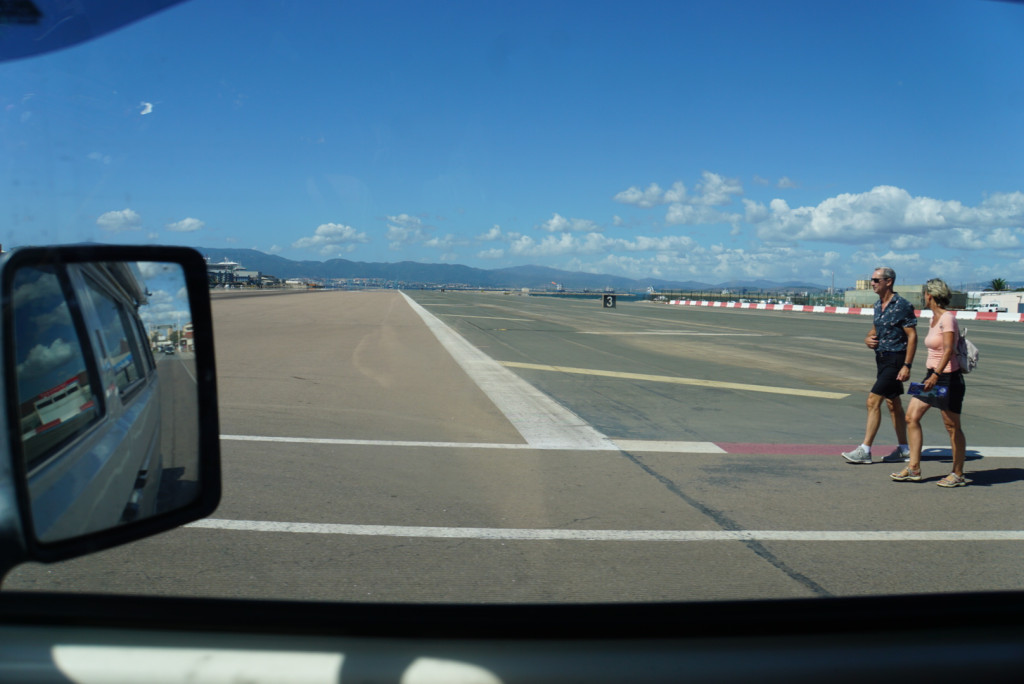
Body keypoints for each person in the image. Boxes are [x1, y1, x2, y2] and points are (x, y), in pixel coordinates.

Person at [891, 278, 968, 487]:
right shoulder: (933, 319)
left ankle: (958, 473)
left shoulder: (947, 319)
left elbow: (948, 349)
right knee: (911, 416)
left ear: (930, 296)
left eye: (924, 294)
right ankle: (914, 468)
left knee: (952, 426)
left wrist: (936, 375)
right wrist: (931, 375)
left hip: (947, 378)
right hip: (931, 376)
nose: (922, 297)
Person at [842, 267, 918, 464]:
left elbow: (912, 336)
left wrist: (907, 365)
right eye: (872, 280)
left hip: (895, 359)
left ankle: (865, 450)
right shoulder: (878, 305)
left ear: (889, 281)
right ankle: (903, 449)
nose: (872, 283)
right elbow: (875, 329)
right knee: (893, 404)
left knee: (872, 401)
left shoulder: (902, 305)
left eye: (876, 280)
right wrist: (867, 339)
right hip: (881, 359)